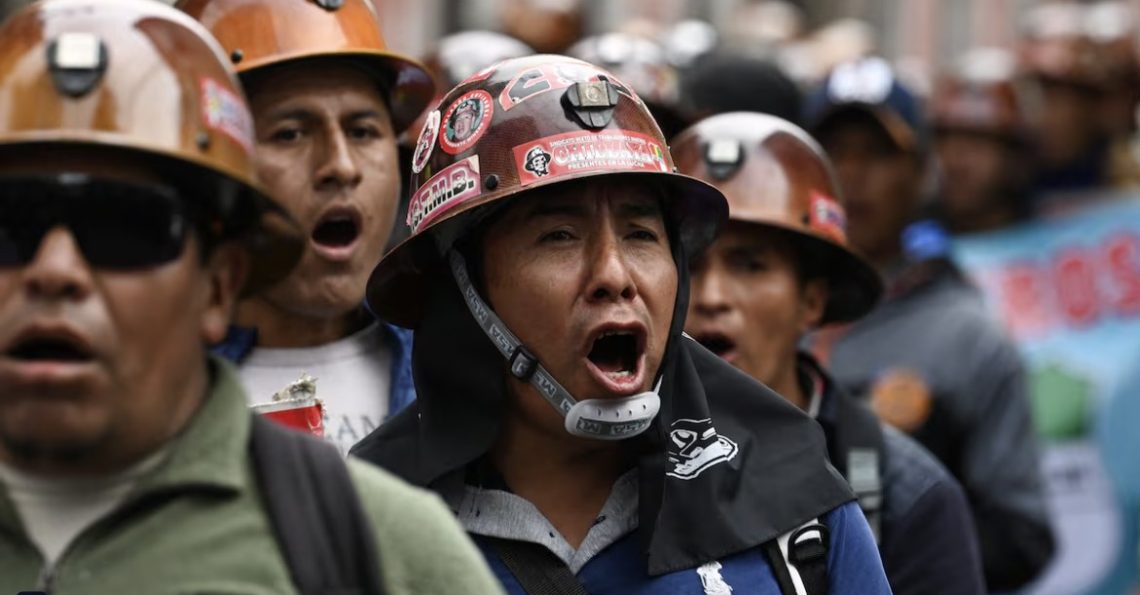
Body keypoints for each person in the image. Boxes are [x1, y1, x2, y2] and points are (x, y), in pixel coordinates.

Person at [0, 1, 503, 593]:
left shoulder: (479, 410)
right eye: (12, 226)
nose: (57, 271)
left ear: (219, 279)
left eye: (124, 228)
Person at [352, 54, 892, 594]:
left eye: (641, 235)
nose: (614, 276)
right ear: (462, 291)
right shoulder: (360, 526)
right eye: (559, 236)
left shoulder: (798, 509)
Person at [674, 111, 986, 595]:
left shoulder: (907, 495)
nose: (713, 296)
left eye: (750, 266)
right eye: (690, 264)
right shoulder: (592, 466)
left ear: (812, 301)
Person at [805, 56, 1055, 592]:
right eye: (833, 153)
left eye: (877, 154)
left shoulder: (968, 336)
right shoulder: (747, 308)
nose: (853, 175)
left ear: (922, 174)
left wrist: (879, 542)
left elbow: (1023, 535)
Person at [177, 0, 436, 455]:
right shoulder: (142, 393)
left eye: (362, 131)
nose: (341, 166)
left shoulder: (469, 374)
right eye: (290, 133)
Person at [930, 48, 1032, 235]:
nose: (955, 163)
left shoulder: (1060, 241)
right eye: (945, 143)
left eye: (976, 145)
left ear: (1015, 157)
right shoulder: (914, 243)